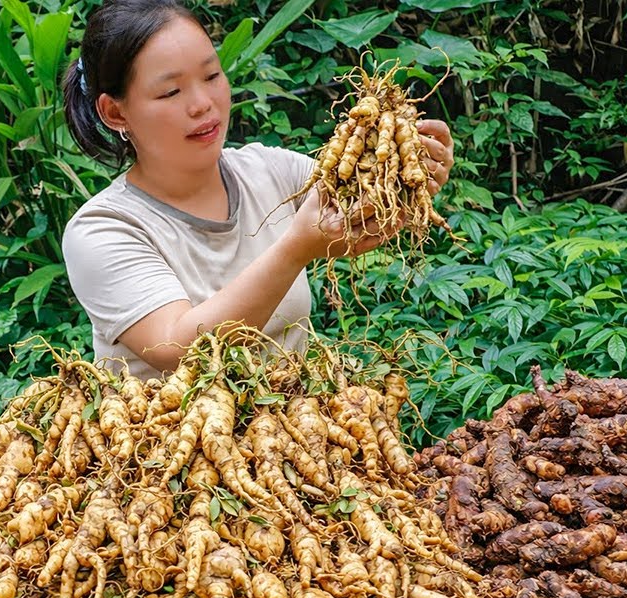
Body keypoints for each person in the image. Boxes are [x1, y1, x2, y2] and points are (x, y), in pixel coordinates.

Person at [61, 0, 455, 379]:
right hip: (167, 440)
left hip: (302, 431)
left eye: (212, 76)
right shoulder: (102, 229)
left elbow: (363, 210)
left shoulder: (269, 170)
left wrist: (405, 175)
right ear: (115, 112)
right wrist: (295, 249)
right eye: (171, 92)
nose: (202, 103)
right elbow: (175, 350)